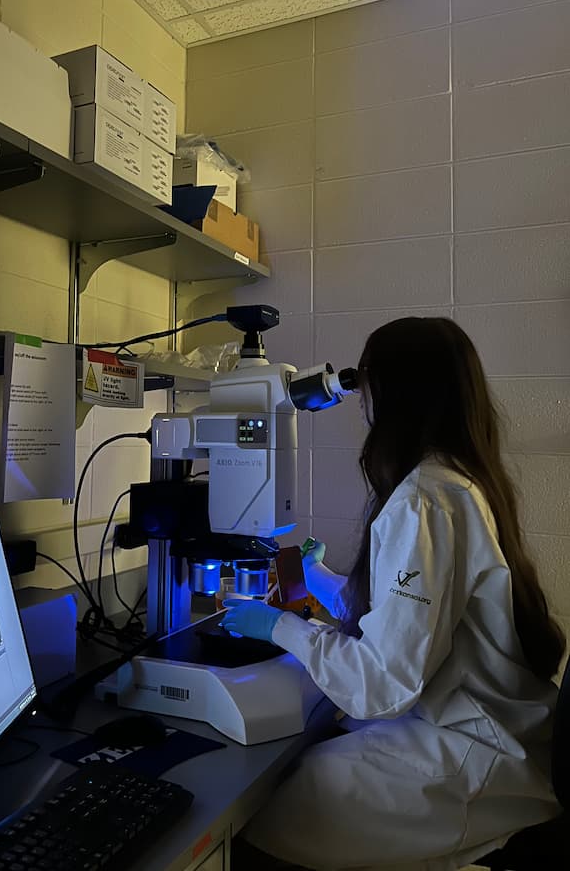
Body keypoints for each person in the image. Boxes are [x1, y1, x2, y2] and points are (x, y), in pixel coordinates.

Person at [223, 316, 566, 871]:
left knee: (285, 801)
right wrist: (320, 578)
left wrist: (281, 627)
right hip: (486, 723)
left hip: (477, 747)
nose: (361, 399)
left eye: (367, 383)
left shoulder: (424, 499)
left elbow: (384, 683)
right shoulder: (456, 479)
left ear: (396, 393)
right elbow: (409, 618)